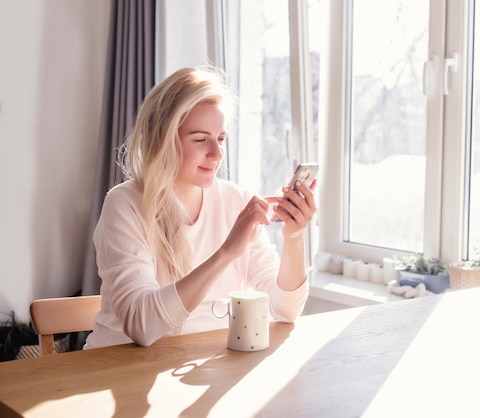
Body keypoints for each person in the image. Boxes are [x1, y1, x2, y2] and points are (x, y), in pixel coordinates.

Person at [84, 67, 317, 349]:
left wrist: (294, 237)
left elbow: (285, 310)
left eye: (220, 139)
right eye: (200, 139)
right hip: (118, 372)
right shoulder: (125, 205)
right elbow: (142, 326)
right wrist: (227, 252)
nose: (217, 154)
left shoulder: (236, 201)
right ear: (163, 140)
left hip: (200, 369)